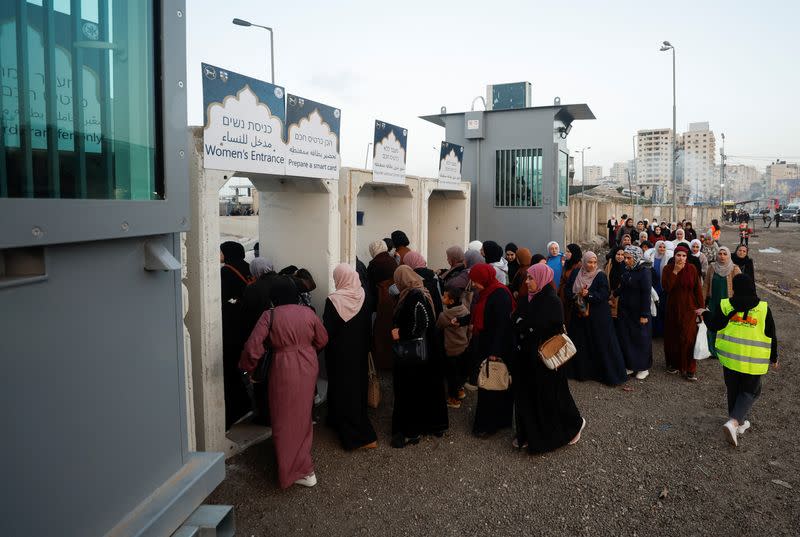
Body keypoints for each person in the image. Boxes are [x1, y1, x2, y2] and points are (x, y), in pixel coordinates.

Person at [239, 276, 328, 488]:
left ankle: (298, 470)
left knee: (284, 417)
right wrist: (307, 350)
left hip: (283, 366)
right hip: (307, 364)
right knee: (302, 414)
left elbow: (253, 348)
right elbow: (323, 338)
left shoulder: (269, 316)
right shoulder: (308, 312)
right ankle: (300, 463)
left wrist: (248, 368)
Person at [511, 263, 586, 453]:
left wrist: (524, 325)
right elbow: (516, 321)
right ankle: (530, 433)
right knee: (528, 397)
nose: (527, 282)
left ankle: (573, 427)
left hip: (545, 360)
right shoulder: (526, 299)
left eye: (531, 278)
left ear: (542, 279)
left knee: (553, 397)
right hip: (525, 358)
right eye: (527, 278)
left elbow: (545, 327)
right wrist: (523, 325)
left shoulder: (551, 301)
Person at [702, 274, 778, 447]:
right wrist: (774, 357)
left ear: (734, 287)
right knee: (751, 391)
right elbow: (771, 334)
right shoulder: (763, 308)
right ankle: (734, 422)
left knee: (733, 389)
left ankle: (738, 423)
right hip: (753, 359)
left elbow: (714, 325)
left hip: (730, 357)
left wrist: (705, 313)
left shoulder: (726, 304)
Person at [390, 266, 448, 448]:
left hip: (415, 354)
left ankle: (411, 432)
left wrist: (400, 333)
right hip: (429, 350)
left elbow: (419, 323)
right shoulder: (421, 291)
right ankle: (434, 425)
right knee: (429, 388)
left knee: (411, 390)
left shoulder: (413, 296)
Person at [323, 264, 378, 451]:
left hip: (340, 354)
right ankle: (342, 421)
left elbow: (327, 330)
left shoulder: (333, 300)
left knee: (342, 389)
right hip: (360, 350)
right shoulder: (364, 295)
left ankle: (358, 437)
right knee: (356, 389)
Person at [564, 252, 628, 385]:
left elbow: (604, 294)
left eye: (594, 262)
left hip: (597, 316)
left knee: (600, 343)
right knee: (582, 343)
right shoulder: (576, 273)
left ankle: (605, 374)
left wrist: (589, 295)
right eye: (589, 262)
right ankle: (581, 372)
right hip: (580, 315)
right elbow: (568, 290)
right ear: (584, 262)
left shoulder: (600, 275)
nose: (592, 265)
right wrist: (576, 295)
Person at [469, 263, 515, 437]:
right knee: (490, 384)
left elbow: (503, 326)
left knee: (493, 384)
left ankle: (488, 425)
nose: (473, 284)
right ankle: (496, 422)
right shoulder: (488, 291)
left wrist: (495, 353)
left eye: (476, 281)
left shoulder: (500, 294)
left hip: (497, 348)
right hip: (489, 344)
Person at [220, 241, 254, 429]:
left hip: (232, 325)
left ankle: (238, 407)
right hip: (248, 322)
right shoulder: (249, 268)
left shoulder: (226, 271)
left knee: (230, 367)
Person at [662, 245, 705, 381]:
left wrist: (701, 308)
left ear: (687, 257)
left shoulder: (692, 269)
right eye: (678, 255)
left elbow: (697, 289)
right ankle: (673, 364)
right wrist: (675, 271)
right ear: (674, 256)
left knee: (689, 338)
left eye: (684, 256)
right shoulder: (668, 269)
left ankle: (690, 368)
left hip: (689, 308)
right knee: (673, 337)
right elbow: (667, 287)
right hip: (673, 308)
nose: (681, 258)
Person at [616, 246, 653, 380]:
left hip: (639, 313)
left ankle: (643, 367)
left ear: (636, 257)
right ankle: (631, 365)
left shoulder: (644, 271)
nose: (625, 260)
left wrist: (644, 315)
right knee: (627, 338)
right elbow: (623, 286)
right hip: (626, 312)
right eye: (625, 257)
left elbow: (646, 294)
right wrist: (613, 295)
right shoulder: (628, 269)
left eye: (628, 258)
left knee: (641, 340)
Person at [436, 284, 471, 409]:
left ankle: (453, 399)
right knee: (461, 372)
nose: (442, 298)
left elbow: (438, 327)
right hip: (463, 346)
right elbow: (469, 330)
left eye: (444, 297)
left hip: (450, 349)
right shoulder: (465, 310)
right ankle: (460, 391)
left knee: (451, 376)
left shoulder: (444, 315)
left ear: (451, 301)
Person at [704, 247, 742, 358]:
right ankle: (712, 349)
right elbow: (706, 285)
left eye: (725, 254)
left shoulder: (734, 269)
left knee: (726, 326)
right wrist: (702, 300)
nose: (722, 256)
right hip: (713, 301)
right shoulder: (712, 267)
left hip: (728, 303)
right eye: (720, 253)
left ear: (728, 256)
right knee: (711, 325)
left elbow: (741, 287)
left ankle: (725, 350)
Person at [367, 240, 399, 370]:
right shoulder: (392, 261)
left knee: (381, 331)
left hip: (381, 302)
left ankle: (381, 362)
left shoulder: (373, 264)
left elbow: (370, 286)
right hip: (394, 300)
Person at [403, 251, 444, 316]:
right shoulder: (433, 275)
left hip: (419, 313)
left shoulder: (410, 277)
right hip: (435, 312)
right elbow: (439, 295)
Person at [558, 244, 583, 329]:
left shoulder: (579, 265)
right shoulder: (567, 263)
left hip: (573, 297)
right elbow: (562, 278)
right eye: (566, 251)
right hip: (563, 295)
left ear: (574, 253)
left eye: (568, 252)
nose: (566, 253)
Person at [651, 241, 672, 338]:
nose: (662, 249)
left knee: (661, 309)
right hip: (653, 286)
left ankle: (661, 331)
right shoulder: (651, 257)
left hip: (663, 287)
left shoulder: (667, 258)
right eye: (660, 247)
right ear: (656, 247)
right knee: (652, 308)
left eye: (664, 247)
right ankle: (653, 331)